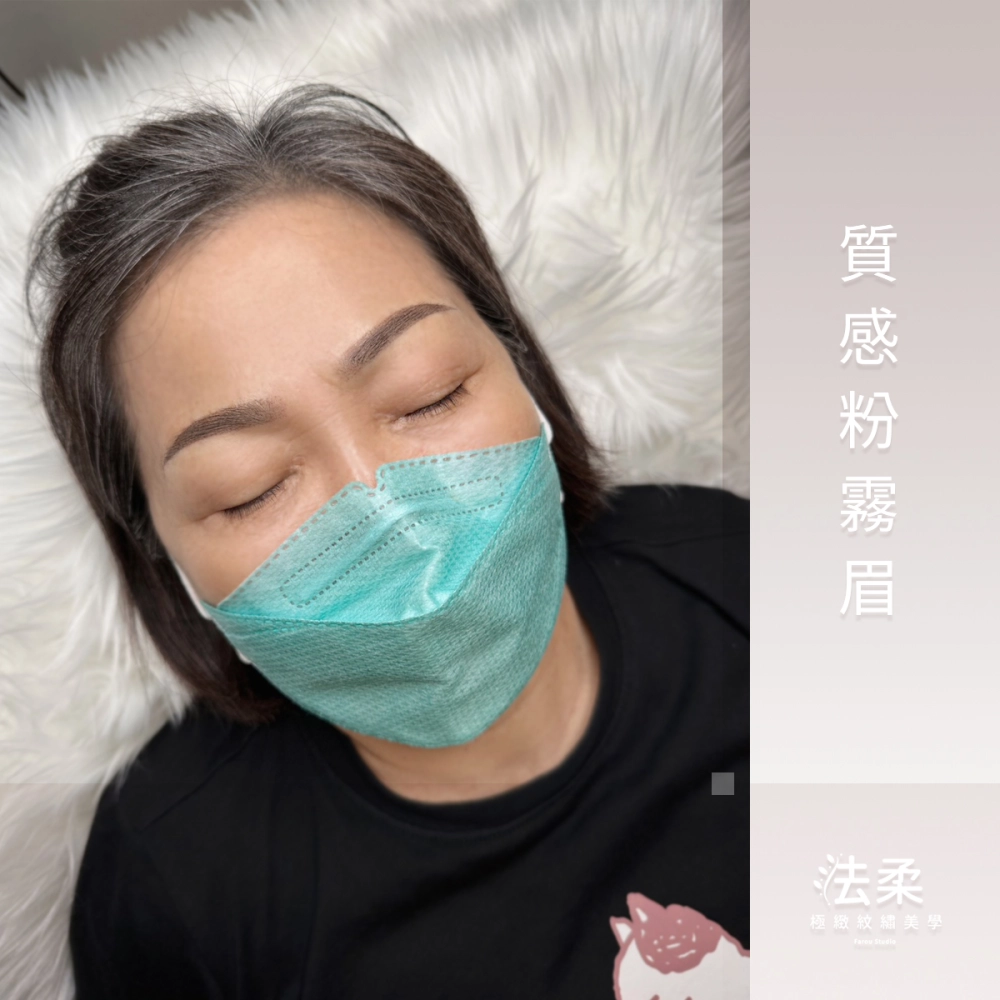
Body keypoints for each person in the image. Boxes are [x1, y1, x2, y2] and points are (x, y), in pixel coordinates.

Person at [27, 83, 749, 998]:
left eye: (428, 395)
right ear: (167, 562)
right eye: (251, 488)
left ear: (519, 366)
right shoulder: (178, 882)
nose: (392, 523)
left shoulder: (733, 576)